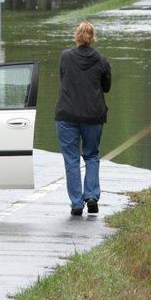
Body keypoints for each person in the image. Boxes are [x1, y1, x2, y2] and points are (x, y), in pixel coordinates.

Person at [55, 21, 112, 216]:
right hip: (93, 116)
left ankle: (77, 203)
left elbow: (63, 79)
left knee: (71, 159)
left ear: (76, 37)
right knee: (92, 155)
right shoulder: (102, 60)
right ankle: (92, 196)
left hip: (67, 115)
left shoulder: (65, 57)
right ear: (93, 38)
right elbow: (106, 87)